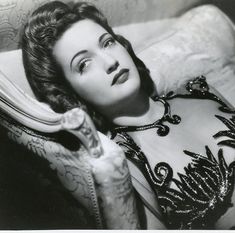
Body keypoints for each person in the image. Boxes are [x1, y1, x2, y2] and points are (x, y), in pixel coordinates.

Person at [21, 1, 235, 229]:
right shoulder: (121, 164)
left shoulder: (200, 92)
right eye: (84, 64)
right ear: (68, 92)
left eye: (108, 43)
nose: (110, 62)